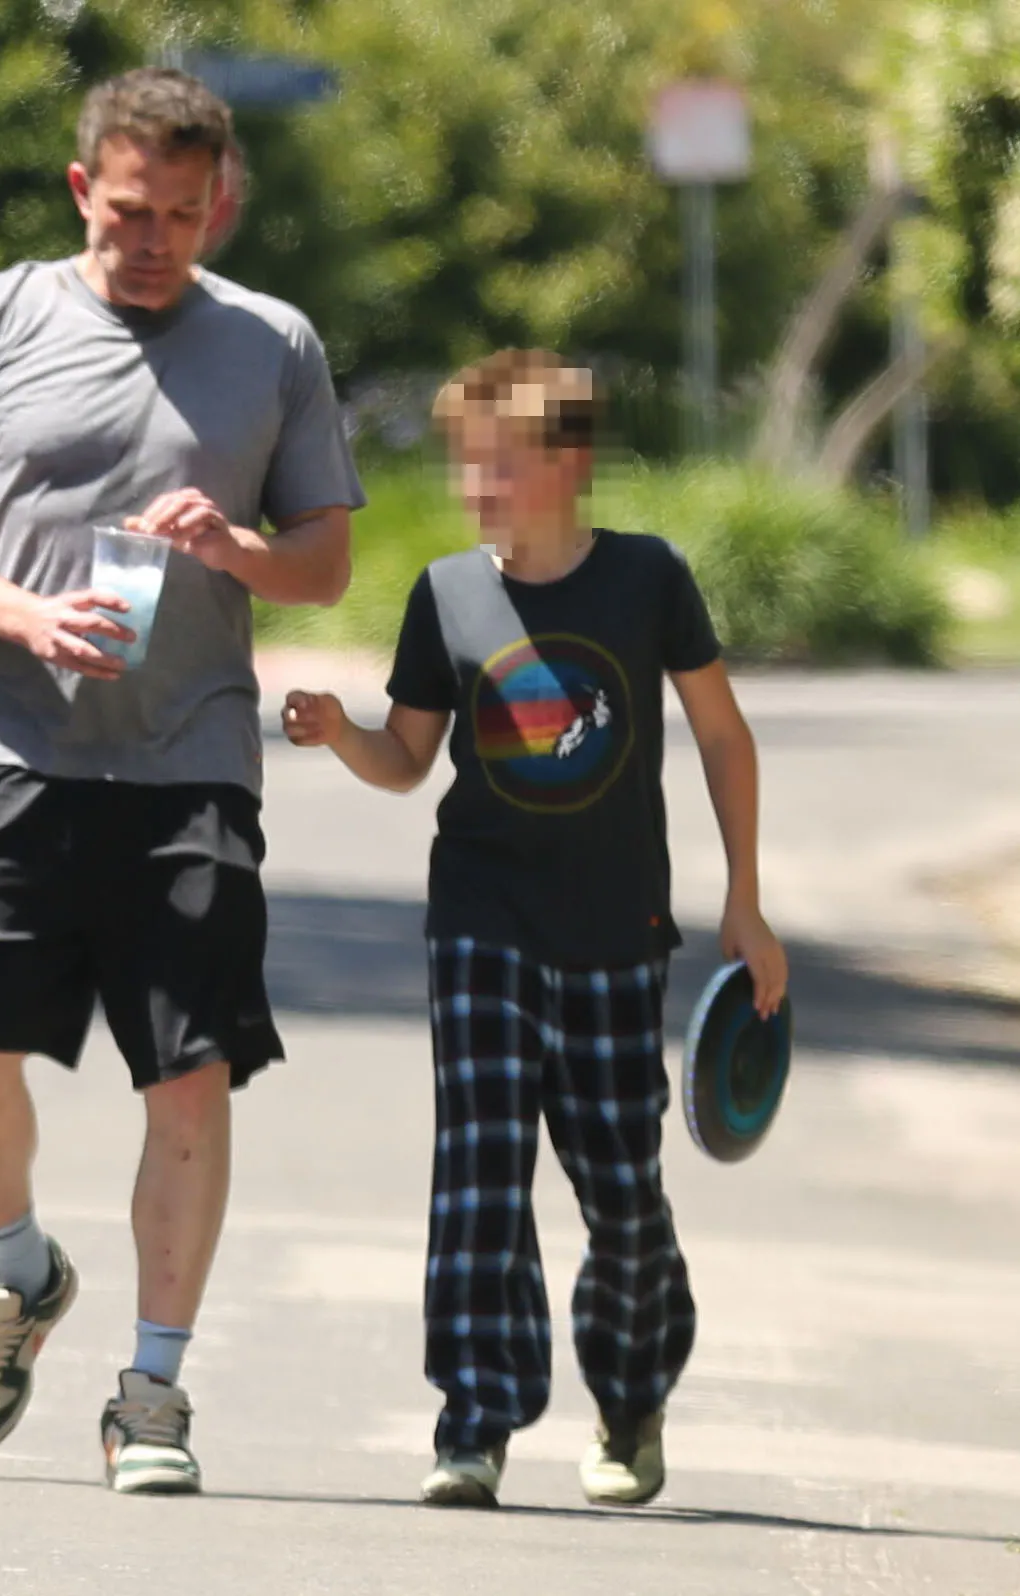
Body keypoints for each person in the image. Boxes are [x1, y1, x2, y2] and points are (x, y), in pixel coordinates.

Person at [0, 67, 363, 1495]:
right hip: (16, 742)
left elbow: (323, 561)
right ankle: (19, 1275)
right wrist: (20, 615)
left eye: (189, 216)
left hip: (191, 759)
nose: (159, 242)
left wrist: (237, 551)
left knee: (193, 1082)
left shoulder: (272, 344)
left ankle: (153, 1393)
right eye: (135, 212)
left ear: (222, 203)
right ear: (85, 188)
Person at [280, 350, 787, 1510]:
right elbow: (410, 762)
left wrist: (746, 902)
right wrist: (343, 730)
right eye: (468, 469)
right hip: (481, 915)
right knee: (482, 1165)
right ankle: (476, 1417)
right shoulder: (448, 593)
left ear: (568, 467)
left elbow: (722, 739)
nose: (477, 491)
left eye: (499, 469)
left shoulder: (648, 581)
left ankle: (631, 1392)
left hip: (618, 930)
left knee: (622, 1191)